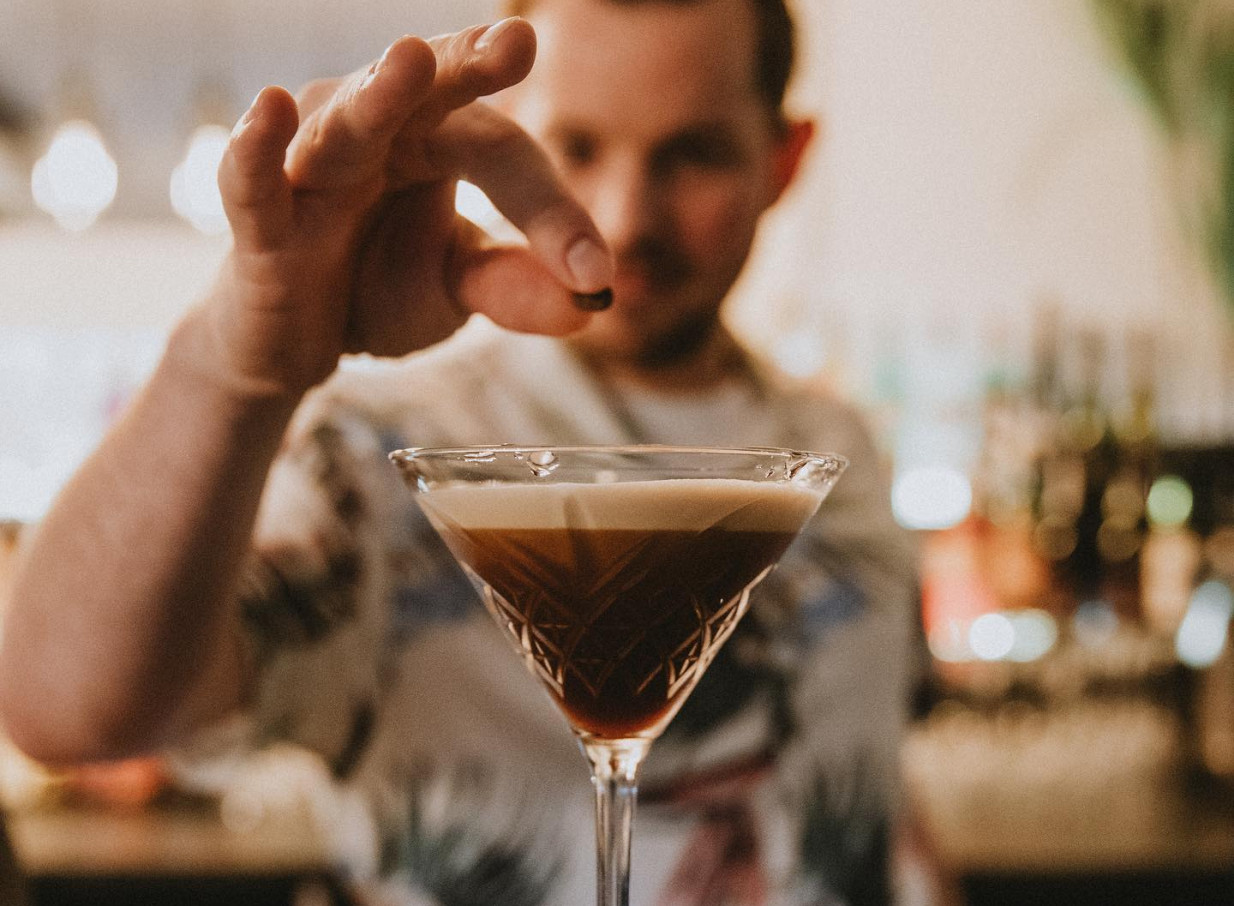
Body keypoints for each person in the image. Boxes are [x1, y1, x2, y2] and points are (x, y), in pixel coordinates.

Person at [0, 0, 922, 903]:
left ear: (784, 159)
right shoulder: (386, 455)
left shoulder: (837, 447)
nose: (626, 218)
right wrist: (236, 365)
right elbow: (63, 706)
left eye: (694, 154)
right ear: (512, 138)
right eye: (578, 147)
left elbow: (864, 789)